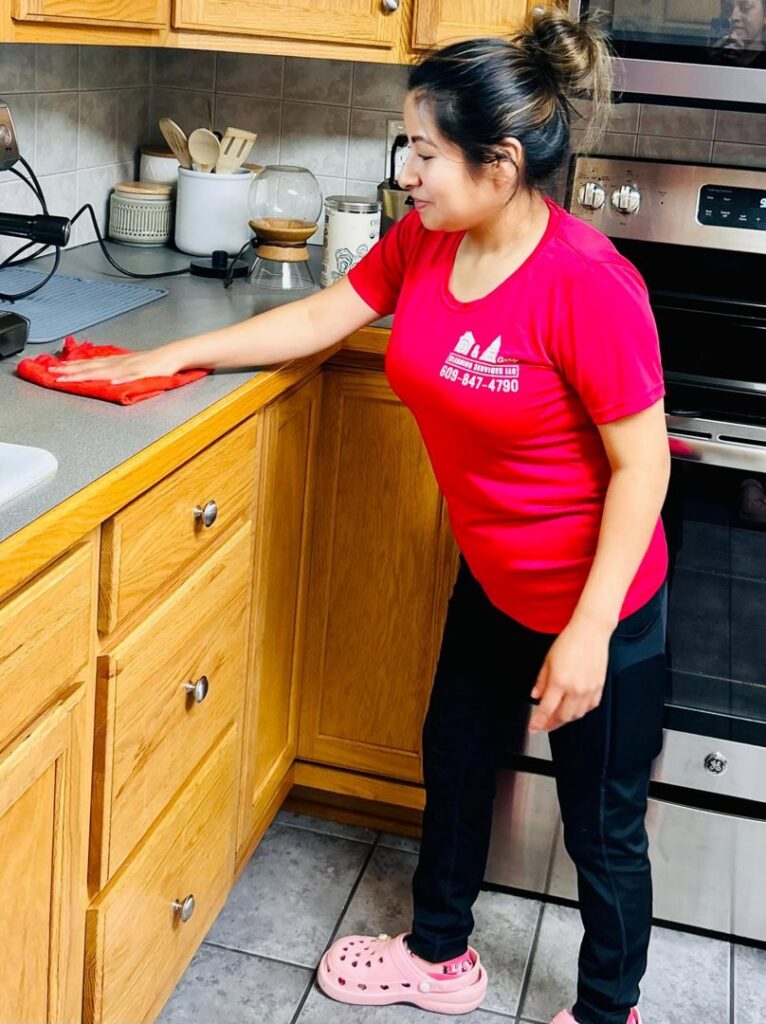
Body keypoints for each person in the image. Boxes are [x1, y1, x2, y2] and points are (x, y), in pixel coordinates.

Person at [51, 10, 671, 1023]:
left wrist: (591, 632)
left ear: (501, 164)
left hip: (600, 602)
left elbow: (642, 467)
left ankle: (609, 1010)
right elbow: (321, 314)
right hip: (494, 581)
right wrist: (170, 355)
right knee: (455, 767)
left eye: (424, 152)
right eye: (407, 148)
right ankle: (439, 957)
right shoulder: (426, 240)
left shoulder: (588, 284)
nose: (407, 173)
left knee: (603, 826)